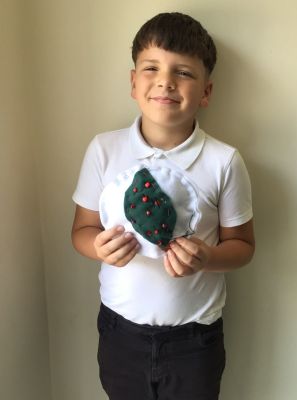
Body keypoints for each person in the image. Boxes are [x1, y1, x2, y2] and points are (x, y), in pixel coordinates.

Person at [71, 12, 255, 400]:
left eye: (183, 72)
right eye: (151, 67)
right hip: (120, 332)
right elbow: (81, 230)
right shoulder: (104, 150)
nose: (165, 81)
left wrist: (207, 258)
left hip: (195, 338)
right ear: (133, 82)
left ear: (206, 92)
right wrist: (98, 248)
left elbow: (242, 246)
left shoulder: (223, 161)